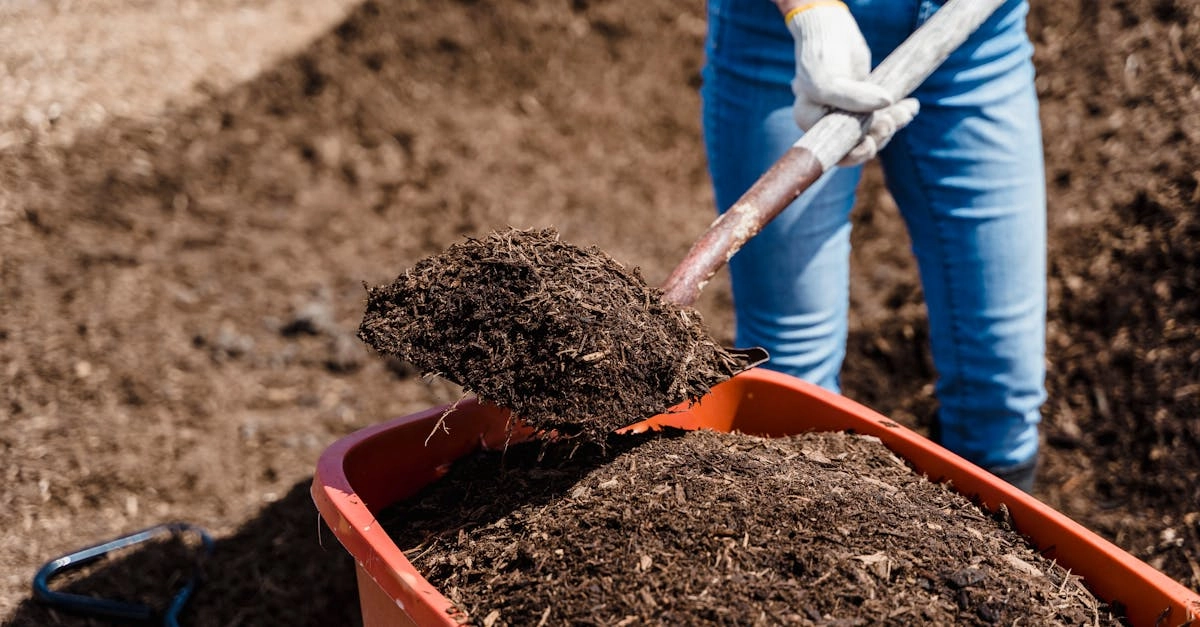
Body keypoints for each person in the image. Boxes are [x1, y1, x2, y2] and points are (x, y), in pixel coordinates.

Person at [701, 0, 1046, 491]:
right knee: (791, 381)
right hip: (788, 35)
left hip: (975, 33)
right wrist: (809, 11)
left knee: (1001, 386)